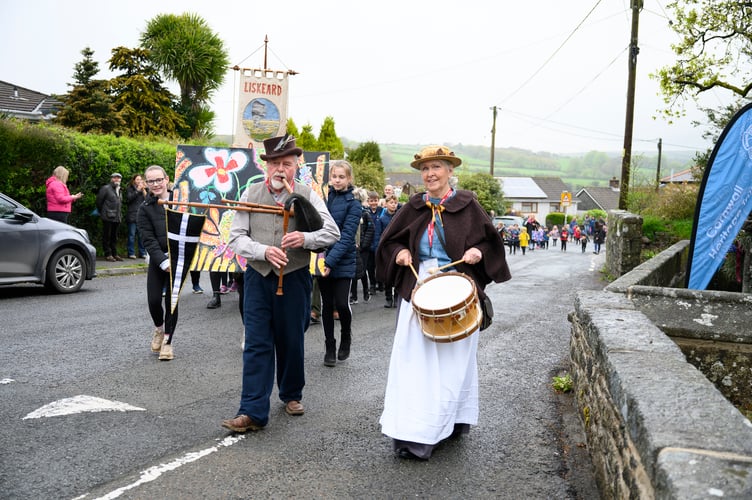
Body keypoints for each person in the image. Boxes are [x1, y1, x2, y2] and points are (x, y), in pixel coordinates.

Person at [376, 145, 511, 461]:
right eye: (424, 169)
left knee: (451, 363)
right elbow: (390, 240)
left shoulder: (468, 206)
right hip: (420, 284)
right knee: (413, 360)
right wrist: (400, 253)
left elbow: (490, 242)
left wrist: (478, 252)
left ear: (450, 171)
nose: (430, 174)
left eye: (436, 167)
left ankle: (447, 423)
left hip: (457, 284)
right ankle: (415, 432)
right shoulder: (413, 207)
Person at [222, 135, 340, 433]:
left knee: (291, 339)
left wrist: (305, 238)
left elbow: (332, 232)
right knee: (257, 343)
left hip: (295, 276)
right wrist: (263, 251)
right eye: (274, 163)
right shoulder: (250, 193)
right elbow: (236, 237)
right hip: (258, 277)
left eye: (286, 164)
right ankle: (251, 411)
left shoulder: (307, 194)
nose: (279, 169)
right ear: (266, 166)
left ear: (296, 167)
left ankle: (291, 394)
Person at [319, 160, 362, 367]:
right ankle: (330, 346)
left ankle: (346, 335)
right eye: (334, 176)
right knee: (326, 305)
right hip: (322, 259)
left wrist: (330, 261)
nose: (337, 180)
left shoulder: (354, 204)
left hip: (343, 261)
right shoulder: (323, 199)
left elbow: (346, 238)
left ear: (349, 179)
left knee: (342, 304)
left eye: (341, 177)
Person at [137, 165, 180, 361]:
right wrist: (163, 262)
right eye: (151, 181)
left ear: (166, 179)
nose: (155, 184)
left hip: (179, 258)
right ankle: (159, 329)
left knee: (171, 302)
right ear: (146, 183)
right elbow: (148, 240)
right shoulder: (144, 209)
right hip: (159, 260)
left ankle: (168, 343)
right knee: (154, 300)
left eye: (158, 179)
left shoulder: (182, 201)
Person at [373, 194, 400, 307]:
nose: (393, 205)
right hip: (386, 249)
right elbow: (378, 235)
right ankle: (388, 297)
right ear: (386, 204)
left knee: (398, 274)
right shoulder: (382, 219)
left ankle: (397, 297)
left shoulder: (399, 217)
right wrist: (377, 250)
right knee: (388, 274)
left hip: (398, 248)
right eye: (391, 203)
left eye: (395, 203)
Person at [96, 172, 123, 261]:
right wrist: (103, 212)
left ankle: (114, 253)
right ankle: (108, 254)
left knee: (114, 236)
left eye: (118, 178)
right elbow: (99, 202)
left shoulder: (119, 189)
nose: (117, 179)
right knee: (106, 236)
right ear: (111, 179)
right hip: (107, 216)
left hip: (117, 217)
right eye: (115, 178)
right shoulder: (106, 188)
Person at [125, 174, 147, 259]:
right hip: (132, 215)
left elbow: (147, 199)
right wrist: (137, 190)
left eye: (140, 179)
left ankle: (142, 252)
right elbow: (129, 199)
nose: (139, 181)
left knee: (141, 236)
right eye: (137, 179)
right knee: (131, 235)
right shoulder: (130, 189)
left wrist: (144, 189)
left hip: (141, 216)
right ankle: (131, 253)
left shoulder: (143, 190)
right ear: (134, 180)